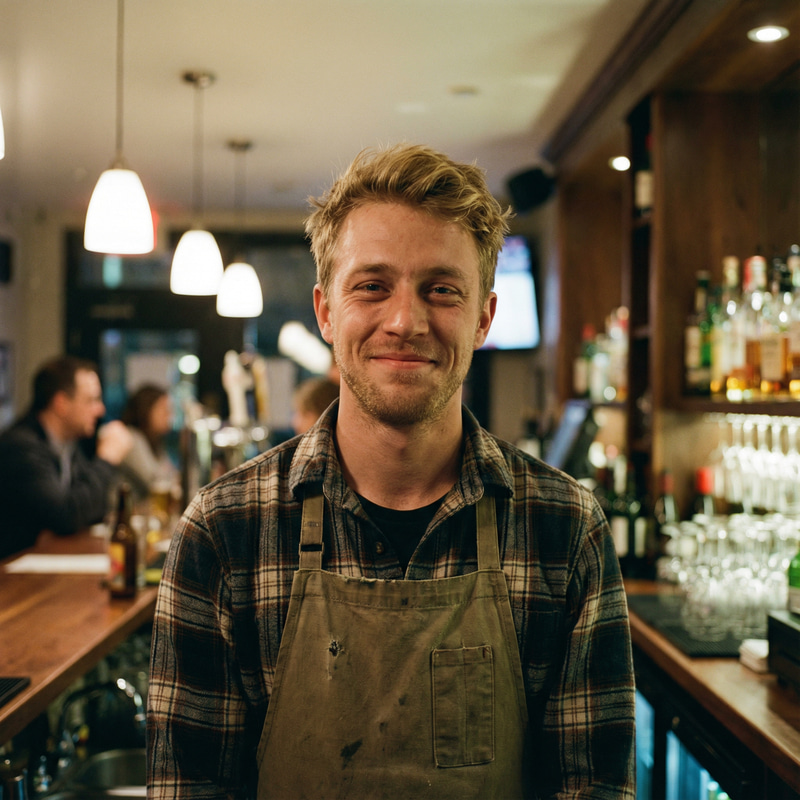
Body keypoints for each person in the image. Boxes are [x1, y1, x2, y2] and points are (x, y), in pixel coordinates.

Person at [147, 144, 636, 798]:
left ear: (484, 317)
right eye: (373, 286)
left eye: (441, 290)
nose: (405, 321)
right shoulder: (224, 530)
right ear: (326, 312)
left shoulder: (565, 529)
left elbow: (594, 788)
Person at [0, 355, 132, 560]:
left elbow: (93, 508)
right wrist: (107, 459)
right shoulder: (21, 447)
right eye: (91, 400)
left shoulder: (69, 446)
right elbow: (66, 516)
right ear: (61, 404)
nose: (101, 409)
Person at [117, 383, 179, 504]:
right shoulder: (132, 438)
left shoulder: (155, 440)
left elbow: (170, 474)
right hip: (123, 515)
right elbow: (154, 480)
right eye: (164, 410)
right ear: (147, 410)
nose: (169, 417)